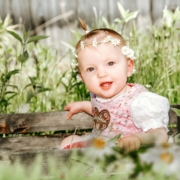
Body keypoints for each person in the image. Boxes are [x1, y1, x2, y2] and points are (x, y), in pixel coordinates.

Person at [60, 20, 170, 152]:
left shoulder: (139, 102)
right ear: (82, 78)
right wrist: (83, 105)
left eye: (110, 63)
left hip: (128, 154)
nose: (101, 73)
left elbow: (160, 135)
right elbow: (103, 111)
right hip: (101, 146)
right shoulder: (97, 96)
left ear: (128, 67)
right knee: (69, 140)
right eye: (91, 69)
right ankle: (71, 169)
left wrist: (139, 139)